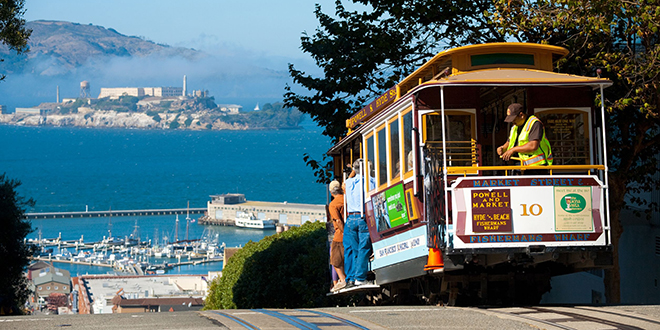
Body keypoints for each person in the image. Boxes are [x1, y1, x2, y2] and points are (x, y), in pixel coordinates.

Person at [343, 159, 375, 288]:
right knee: (364, 248)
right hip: (362, 217)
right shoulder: (369, 182)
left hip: (350, 218)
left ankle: (352, 278)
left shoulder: (348, 182)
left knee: (355, 249)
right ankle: (360, 277)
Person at [497, 103, 553, 174]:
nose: (512, 122)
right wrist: (503, 148)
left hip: (536, 168)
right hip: (519, 166)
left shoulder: (534, 123)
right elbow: (510, 142)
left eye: (514, 119)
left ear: (521, 115)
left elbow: (533, 145)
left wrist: (513, 150)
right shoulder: (515, 127)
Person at [328, 180, 347, 292]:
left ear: (331, 192)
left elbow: (338, 220)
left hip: (340, 234)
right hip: (351, 230)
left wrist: (344, 232)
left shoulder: (333, 204)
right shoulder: (346, 199)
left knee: (335, 260)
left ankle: (342, 279)